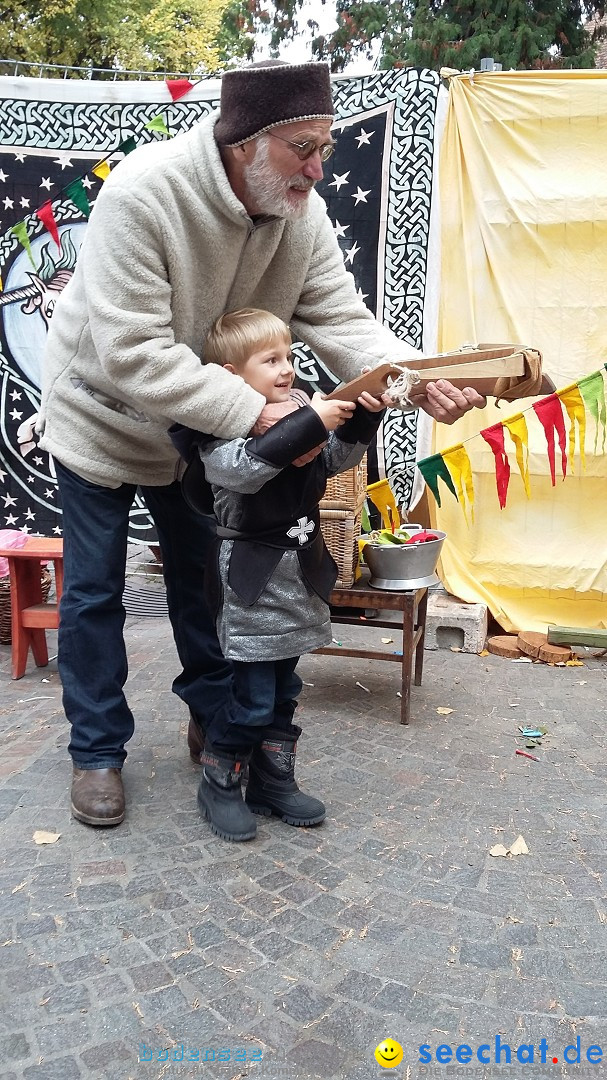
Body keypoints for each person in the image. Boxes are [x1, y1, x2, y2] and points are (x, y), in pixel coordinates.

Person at [38, 59, 485, 828]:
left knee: (206, 587)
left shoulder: (300, 215)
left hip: (202, 434)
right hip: (103, 417)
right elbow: (134, 351)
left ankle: (216, 727)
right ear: (247, 143)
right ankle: (97, 752)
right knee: (93, 593)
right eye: (302, 148)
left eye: (326, 148)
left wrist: (418, 382)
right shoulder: (146, 192)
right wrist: (264, 417)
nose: (318, 167)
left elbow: (344, 324)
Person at [182, 307, 387, 841]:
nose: (286, 368)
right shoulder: (221, 435)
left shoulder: (301, 414)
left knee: (285, 687)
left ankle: (272, 782)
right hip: (252, 584)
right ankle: (220, 779)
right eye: (269, 359)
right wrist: (310, 422)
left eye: (289, 356)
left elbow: (332, 460)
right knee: (250, 699)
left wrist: (363, 417)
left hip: (299, 576)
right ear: (231, 377)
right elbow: (250, 470)